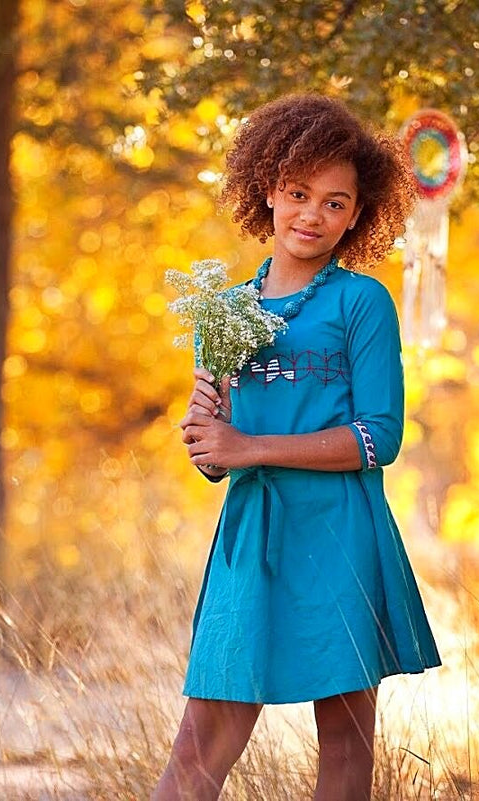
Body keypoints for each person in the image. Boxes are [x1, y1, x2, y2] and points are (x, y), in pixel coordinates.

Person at [154, 93, 441, 801]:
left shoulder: (362, 303)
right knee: (200, 743)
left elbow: (380, 437)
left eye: (336, 203)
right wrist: (207, 440)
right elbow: (216, 459)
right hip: (251, 539)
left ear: (359, 214)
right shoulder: (223, 310)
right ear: (267, 189)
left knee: (344, 742)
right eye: (298, 193)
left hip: (340, 535)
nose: (313, 215)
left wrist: (247, 445)